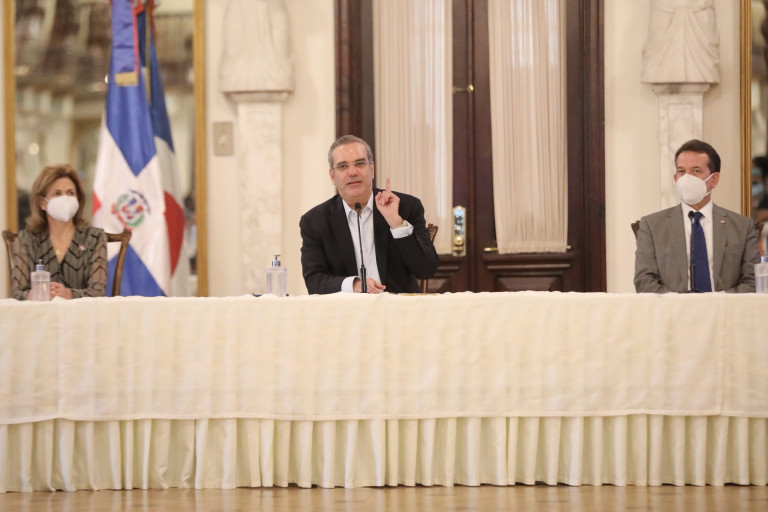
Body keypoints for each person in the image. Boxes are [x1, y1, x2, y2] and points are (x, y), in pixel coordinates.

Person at [300, 135, 438, 294]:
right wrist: (354, 285)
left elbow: (426, 269)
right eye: (343, 166)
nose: (352, 172)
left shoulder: (406, 207)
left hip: (399, 306)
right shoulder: (315, 221)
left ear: (371, 169)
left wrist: (396, 223)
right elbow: (314, 281)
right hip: (347, 308)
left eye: (359, 164)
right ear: (332, 176)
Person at [634, 139, 760, 293]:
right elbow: (644, 281)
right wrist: (682, 304)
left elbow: (753, 281)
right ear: (675, 178)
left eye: (696, 171)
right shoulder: (652, 225)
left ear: (714, 179)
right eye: (681, 171)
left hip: (725, 307)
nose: (687, 179)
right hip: (673, 307)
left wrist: (719, 302)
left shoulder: (742, 227)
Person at [11, 164, 108, 300]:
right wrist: (31, 295)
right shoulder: (26, 239)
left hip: (81, 312)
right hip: (40, 312)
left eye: (70, 193)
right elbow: (16, 293)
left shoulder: (94, 237)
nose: (65, 199)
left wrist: (71, 294)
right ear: (42, 203)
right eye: (57, 193)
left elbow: (98, 291)